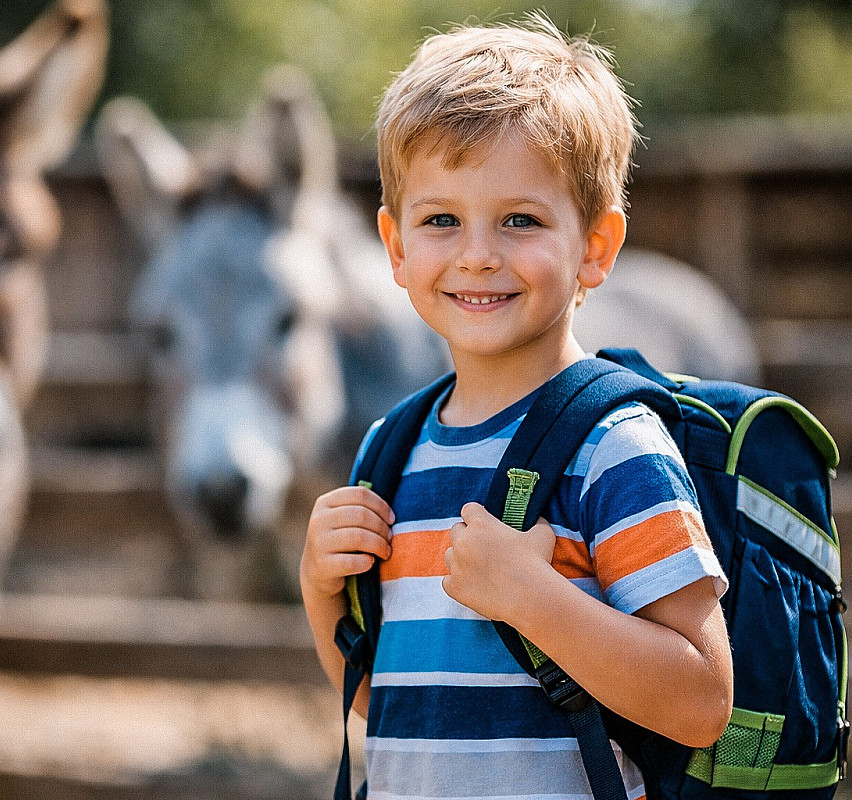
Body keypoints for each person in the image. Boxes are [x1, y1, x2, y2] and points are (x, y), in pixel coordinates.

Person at [299, 13, 734, 800]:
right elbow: (382, 702)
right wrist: (319, 589)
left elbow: (702, 701)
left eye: (520, 220)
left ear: (596, 249)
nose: (477, 254)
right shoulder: (388, 452)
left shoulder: (614, 445)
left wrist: (535, 599)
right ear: (395, 248)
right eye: (441, 220)